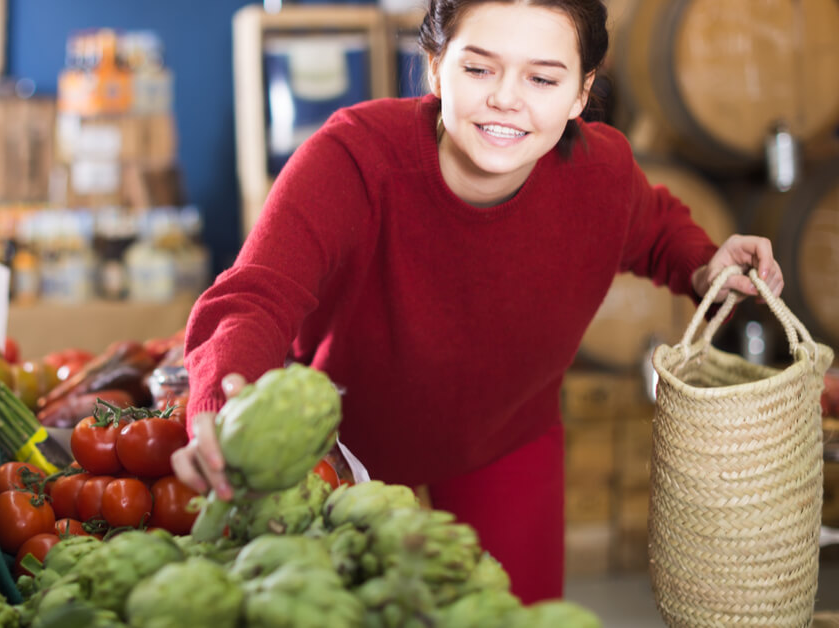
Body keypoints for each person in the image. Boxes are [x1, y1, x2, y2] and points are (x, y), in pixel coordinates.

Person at [170, 0, 784, 604]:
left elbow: (654, 227)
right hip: (342, 445)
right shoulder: (353, 158)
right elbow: (254, 295)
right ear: (436, 67)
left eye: (542, 78)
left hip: (507, 435)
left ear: (580, 93)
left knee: (517, 618)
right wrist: (224, 403)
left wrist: (704, 266)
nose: (507, 99)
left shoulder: (603, 174)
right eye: (478, 68)